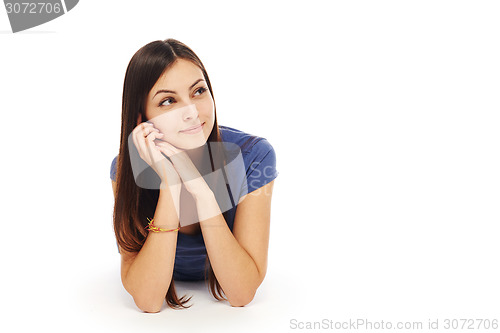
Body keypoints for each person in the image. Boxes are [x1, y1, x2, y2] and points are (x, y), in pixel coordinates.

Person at [110, 38, 278, 313]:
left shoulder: (253, 157)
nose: (191, 111)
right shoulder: (126, 170)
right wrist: (170, 184)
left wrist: (200, 190)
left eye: (198, 91)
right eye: (167, 101)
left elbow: (241, 292)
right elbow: (148, 301)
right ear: (142, 120)